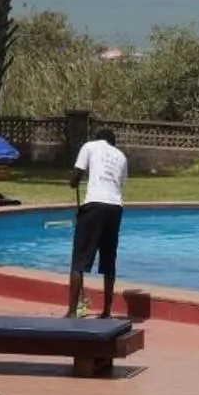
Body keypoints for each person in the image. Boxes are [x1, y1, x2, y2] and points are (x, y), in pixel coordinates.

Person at [66, 127, 129, 317]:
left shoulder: (89, 146)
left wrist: (73, 182)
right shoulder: (121, 156)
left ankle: (71, 311)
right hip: (115, 208)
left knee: (79, 260)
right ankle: (107, 311)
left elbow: (77, 175)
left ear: (98, 138)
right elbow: (120, 183)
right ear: (112, 142)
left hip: (94, 205)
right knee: (109, 260)